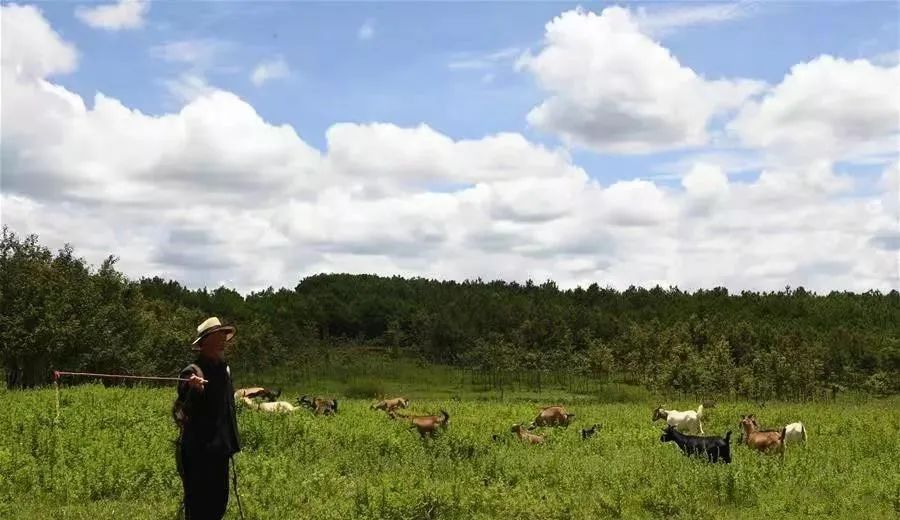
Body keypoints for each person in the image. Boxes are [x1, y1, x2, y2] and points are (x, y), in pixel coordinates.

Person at [174, 317, 241, 520]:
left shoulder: (224, 370)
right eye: (216, 338)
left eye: (223, 337)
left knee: (219, 504)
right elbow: (185, 390)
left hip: (220, 451)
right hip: (199, 453)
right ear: (204, 344)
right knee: (198, 508)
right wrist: (193, 386)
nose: (222, 342)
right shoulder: (193, 370)